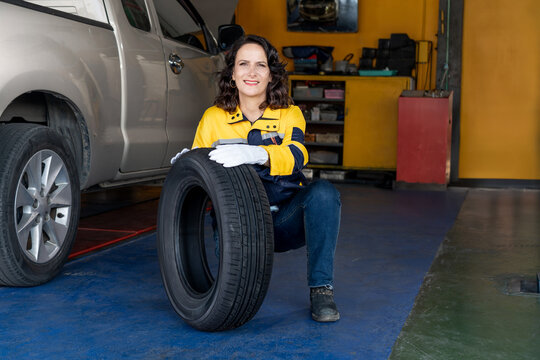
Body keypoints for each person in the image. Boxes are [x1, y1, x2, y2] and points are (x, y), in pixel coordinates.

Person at [172, 35, 341, 322]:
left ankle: (321, 289)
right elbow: (198, 178)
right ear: (233, 73)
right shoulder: (213, 118)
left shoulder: (289, 113)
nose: (252, 72)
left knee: (324, 193)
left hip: (283, 221)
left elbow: (298, 154)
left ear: (271, 74)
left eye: (260, 65)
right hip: (236, 224)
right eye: (244, 64)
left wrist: (256, 153)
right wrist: (187, 165)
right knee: (230, 299)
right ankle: (218, 292)